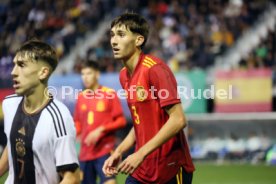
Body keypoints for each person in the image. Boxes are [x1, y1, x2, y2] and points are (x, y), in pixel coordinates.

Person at [102, 12, 195, 184]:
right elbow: (140, 123)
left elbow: (179, 119)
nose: (114, 41)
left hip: (170, 167)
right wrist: (119, 151)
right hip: (143, 168)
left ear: (138, 40)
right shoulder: (124, 76)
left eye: (121, 35)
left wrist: (140, 154)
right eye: (112, 35)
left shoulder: (155, 69)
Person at [0, 39, 80, 184]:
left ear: (43, 73)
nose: (13, 72)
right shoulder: (9, 104)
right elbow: (13, 145)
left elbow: (72, 177)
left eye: (21, 65)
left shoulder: (59, 117)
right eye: (14, 65)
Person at [74, 60, 126, 184]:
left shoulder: (109, 94)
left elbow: (121, 121)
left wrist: (101, 129)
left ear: (97, 74)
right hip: (85, 154)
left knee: (110, 182)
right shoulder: (81, 97)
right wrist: (76, 134)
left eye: (89, 73)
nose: (85, 77)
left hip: (105, 150)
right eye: (83, 74)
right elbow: (77, 122)